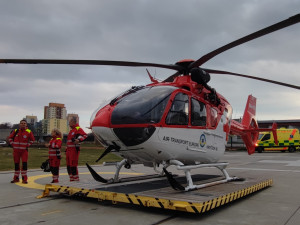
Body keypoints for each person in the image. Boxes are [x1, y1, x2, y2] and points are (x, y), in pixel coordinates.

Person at [8, 120, 35, 184]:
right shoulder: (15, 131)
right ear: (19, 124)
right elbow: (10, 138)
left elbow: (32, 140)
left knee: (24, 165)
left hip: (24, 151)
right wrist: (13, 144)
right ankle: (16, 178)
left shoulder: (29, 131)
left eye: (24, 123)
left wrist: (28, 145)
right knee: (16, 165)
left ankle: (24, 179)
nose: (23, 124)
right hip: (16, 151)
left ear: (26, 124)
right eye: (22, 123)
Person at [66, 117, 87, 181]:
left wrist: (79, 140)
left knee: (73, 164)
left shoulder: (77, 128)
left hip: (74, 150)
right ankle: (71, 178)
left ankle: (75, 178)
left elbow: (85, 135)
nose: (69, 123)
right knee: (68, 165)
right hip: (69, 151)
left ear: (73, 122)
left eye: (69, 122)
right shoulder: (71, 130)